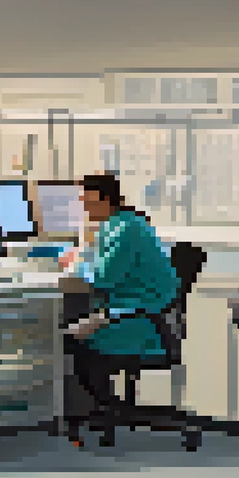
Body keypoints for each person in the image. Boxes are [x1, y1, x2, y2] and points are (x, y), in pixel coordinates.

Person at [62, 173, 180, 447]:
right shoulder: (125, 224)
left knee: (73, 339)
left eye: (89, 201)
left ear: (106, 200)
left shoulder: (124, 231)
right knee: (77, 329)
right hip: (137, 313)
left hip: (139, 320)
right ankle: (107, 407)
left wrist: (75, 263)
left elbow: (103, 277)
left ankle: (104, 407)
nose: (84, 208)